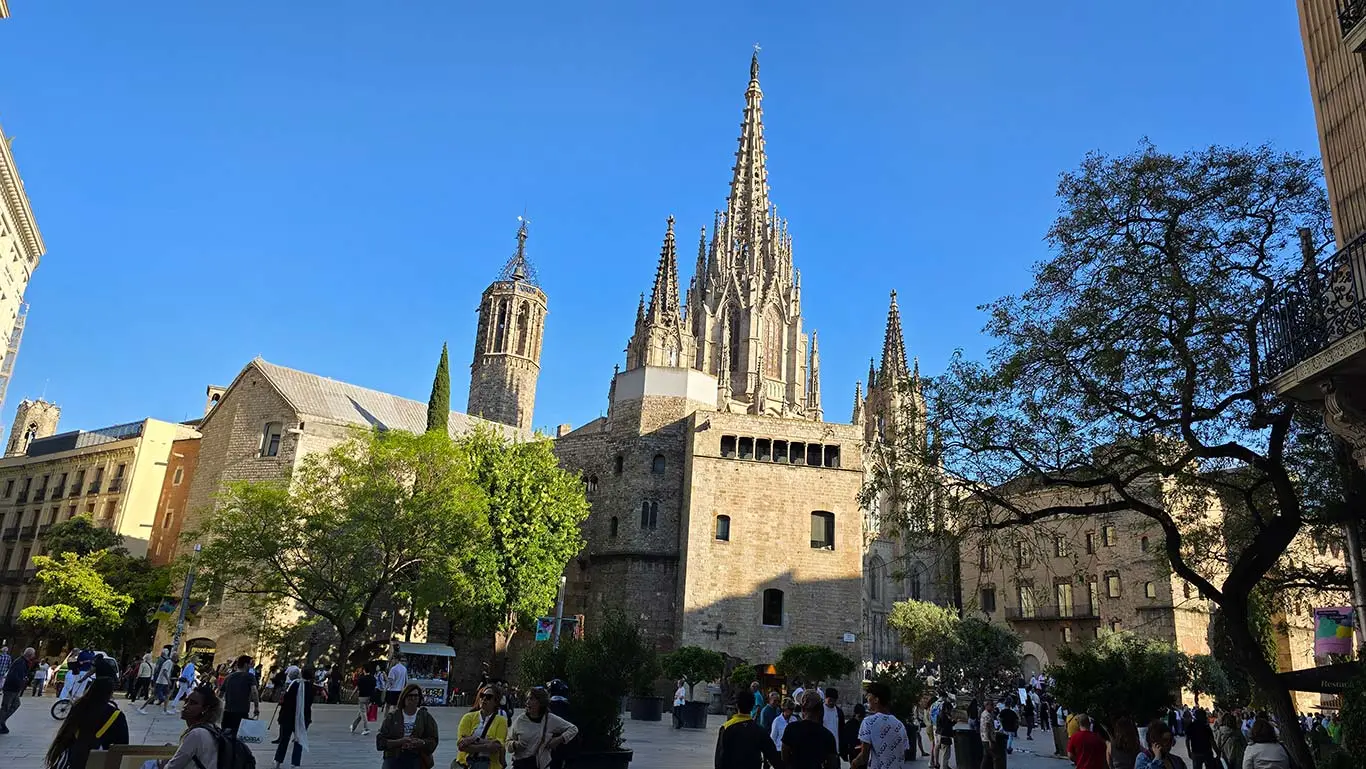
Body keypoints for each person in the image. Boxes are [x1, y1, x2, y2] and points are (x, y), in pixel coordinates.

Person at [43, 675, 129, 768]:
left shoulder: (79, 706)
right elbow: (123, 745)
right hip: (100, 761)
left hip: (75, 759)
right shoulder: (116, 715)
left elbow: (66, 732)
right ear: (110, 693)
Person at [508, 686, 577, 769]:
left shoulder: (549, 719)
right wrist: (515, 745)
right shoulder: (520, 720)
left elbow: (573, 729)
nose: (527, 702)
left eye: (531, 699)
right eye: (527, 699)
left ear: (540, 702)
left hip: (540, 765)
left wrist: (559, 739)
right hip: (520, 764)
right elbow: (508, 741)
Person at [377, 682, 439, 769]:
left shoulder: (425, 716)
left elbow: (433, 740)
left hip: (416, 757)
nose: (413, 698)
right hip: (394, 757)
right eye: (410, 696)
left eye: (416, 696)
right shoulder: (392, 717)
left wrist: (421, 743)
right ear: (404, 697)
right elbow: (380, 742)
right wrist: (400, 742)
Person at [160, 686, 223, 769]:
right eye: (186, 701)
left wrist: (162, 763)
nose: (186, 706)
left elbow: (172, 767)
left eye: (193, 703)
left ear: (205, 709)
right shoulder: (212, 728)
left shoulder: (196, 734)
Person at [853, 681, 909, 769]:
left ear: (876, 699)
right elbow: (903, 752)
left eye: (869, 695)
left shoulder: (868, 722)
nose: (867, 698)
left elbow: (864, 757)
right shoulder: (900, 725)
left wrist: (854, 764)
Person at [780, 691, 837, 769]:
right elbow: (832, 764)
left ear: (803, 709)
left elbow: (784, 758)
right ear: (821, 710)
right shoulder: (827, 735)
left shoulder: (791, 729)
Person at [456, 684, 507, 769]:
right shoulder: (468, 717)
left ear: (496, 701)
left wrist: (474, 739)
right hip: (467, 765)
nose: (484, 699)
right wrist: (487, 745)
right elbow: (461, 745)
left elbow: (497, 746)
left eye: (489, 697)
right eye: (482, 695)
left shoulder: (501, 721)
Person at [275, 665, 313, 769]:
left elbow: (285, 700)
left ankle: (278, 761)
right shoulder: (310, 687)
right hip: (302, 717)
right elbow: (309, 703)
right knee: (299, 740)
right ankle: (295, 763)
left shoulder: (293, 684)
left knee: (284, 740)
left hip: (287, 716)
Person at [219, 655, 260, 737]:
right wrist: (256, 707)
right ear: (245, 665)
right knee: (238, 737)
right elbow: (254, 692)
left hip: (228, 712)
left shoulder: (228, 677)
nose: (251, 666)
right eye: (250, 664)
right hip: (242, 712)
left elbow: (220, 694)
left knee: (225, 736)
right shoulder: (249, 677)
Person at [0, 646, 35, 734]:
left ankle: (2, 721)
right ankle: (1, 722)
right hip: (11, 688)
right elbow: (14, 676)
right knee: (6, 706)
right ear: (30, 655)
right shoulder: (20, 662)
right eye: (33, 654)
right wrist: (21, 682)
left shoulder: (23, 662)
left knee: (15, 704)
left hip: (14, 688)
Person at [351, 664, 378, 736]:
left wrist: (352, 695)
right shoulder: (373, 679)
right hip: (369, 697)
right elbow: (374, 689)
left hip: (362, 697)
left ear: (364, 671)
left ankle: (366, 728)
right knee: (362, 712)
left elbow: (357, 688)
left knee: (363, 713)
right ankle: (353, 726)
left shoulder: (361, 679)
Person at [821, 687, 845, 756]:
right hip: (822, 747)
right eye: (830, 700)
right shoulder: (820, 710)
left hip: (835, 748)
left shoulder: (839, 712)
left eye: (834, 701)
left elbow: (842, 730)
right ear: (826, 698)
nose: (832, 702)